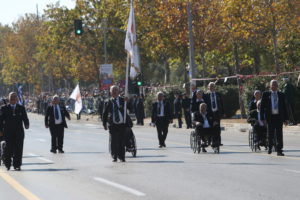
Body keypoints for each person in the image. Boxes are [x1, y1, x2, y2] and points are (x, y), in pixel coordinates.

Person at [102, 85, 132, 162]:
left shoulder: (123, 100)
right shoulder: (108, 102)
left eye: (116, 90)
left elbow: (131, 108)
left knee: (122, 141)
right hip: (113, 124)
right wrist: (104, 124)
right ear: (110, 92)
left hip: (122, 124)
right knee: (114, 141)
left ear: (118, 92)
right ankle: (114, 156)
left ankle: (121, 156)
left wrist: (128, 101)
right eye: (113, 91)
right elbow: (104, 114)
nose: (115, 92)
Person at [0, 92, 29, 171]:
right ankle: (8, 164)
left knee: (18, 149)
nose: (13, 98)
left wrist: (26, 124)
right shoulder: (4, 108)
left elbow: (25, 118)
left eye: (14, 97)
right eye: (11, 97)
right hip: (8, 133)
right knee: (8, 149)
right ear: (8, 99)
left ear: (17, 99)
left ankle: (17, 165)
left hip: (19, 132)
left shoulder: (21, 108)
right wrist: (0, 130)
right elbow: (0, 120)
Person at [260, 80, 288, 156]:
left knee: (279, 135)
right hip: (270, 117)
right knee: (270, 134)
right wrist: (262, 118)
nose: (274, 86)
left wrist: (286, 119)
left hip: (279, 117)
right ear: (270, 86)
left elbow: (284, 107)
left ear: (277, 86)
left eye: (275, 85)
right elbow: (262, 107)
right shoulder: (266, 94)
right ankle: (269, 147)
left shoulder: (281, 94)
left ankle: (279, 150)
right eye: (273, 85)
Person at [204, 82, 224, 146]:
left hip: (217, 113)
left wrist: (223, 112)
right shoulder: (206, 95)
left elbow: (221, 104)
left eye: (213, 86)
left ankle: (218, 141)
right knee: (210, 127)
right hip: (209, 113)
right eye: (211, 86)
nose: (212, 87)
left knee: (217, 127)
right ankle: (210, 140)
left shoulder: (218, 94)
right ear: (208, 87)